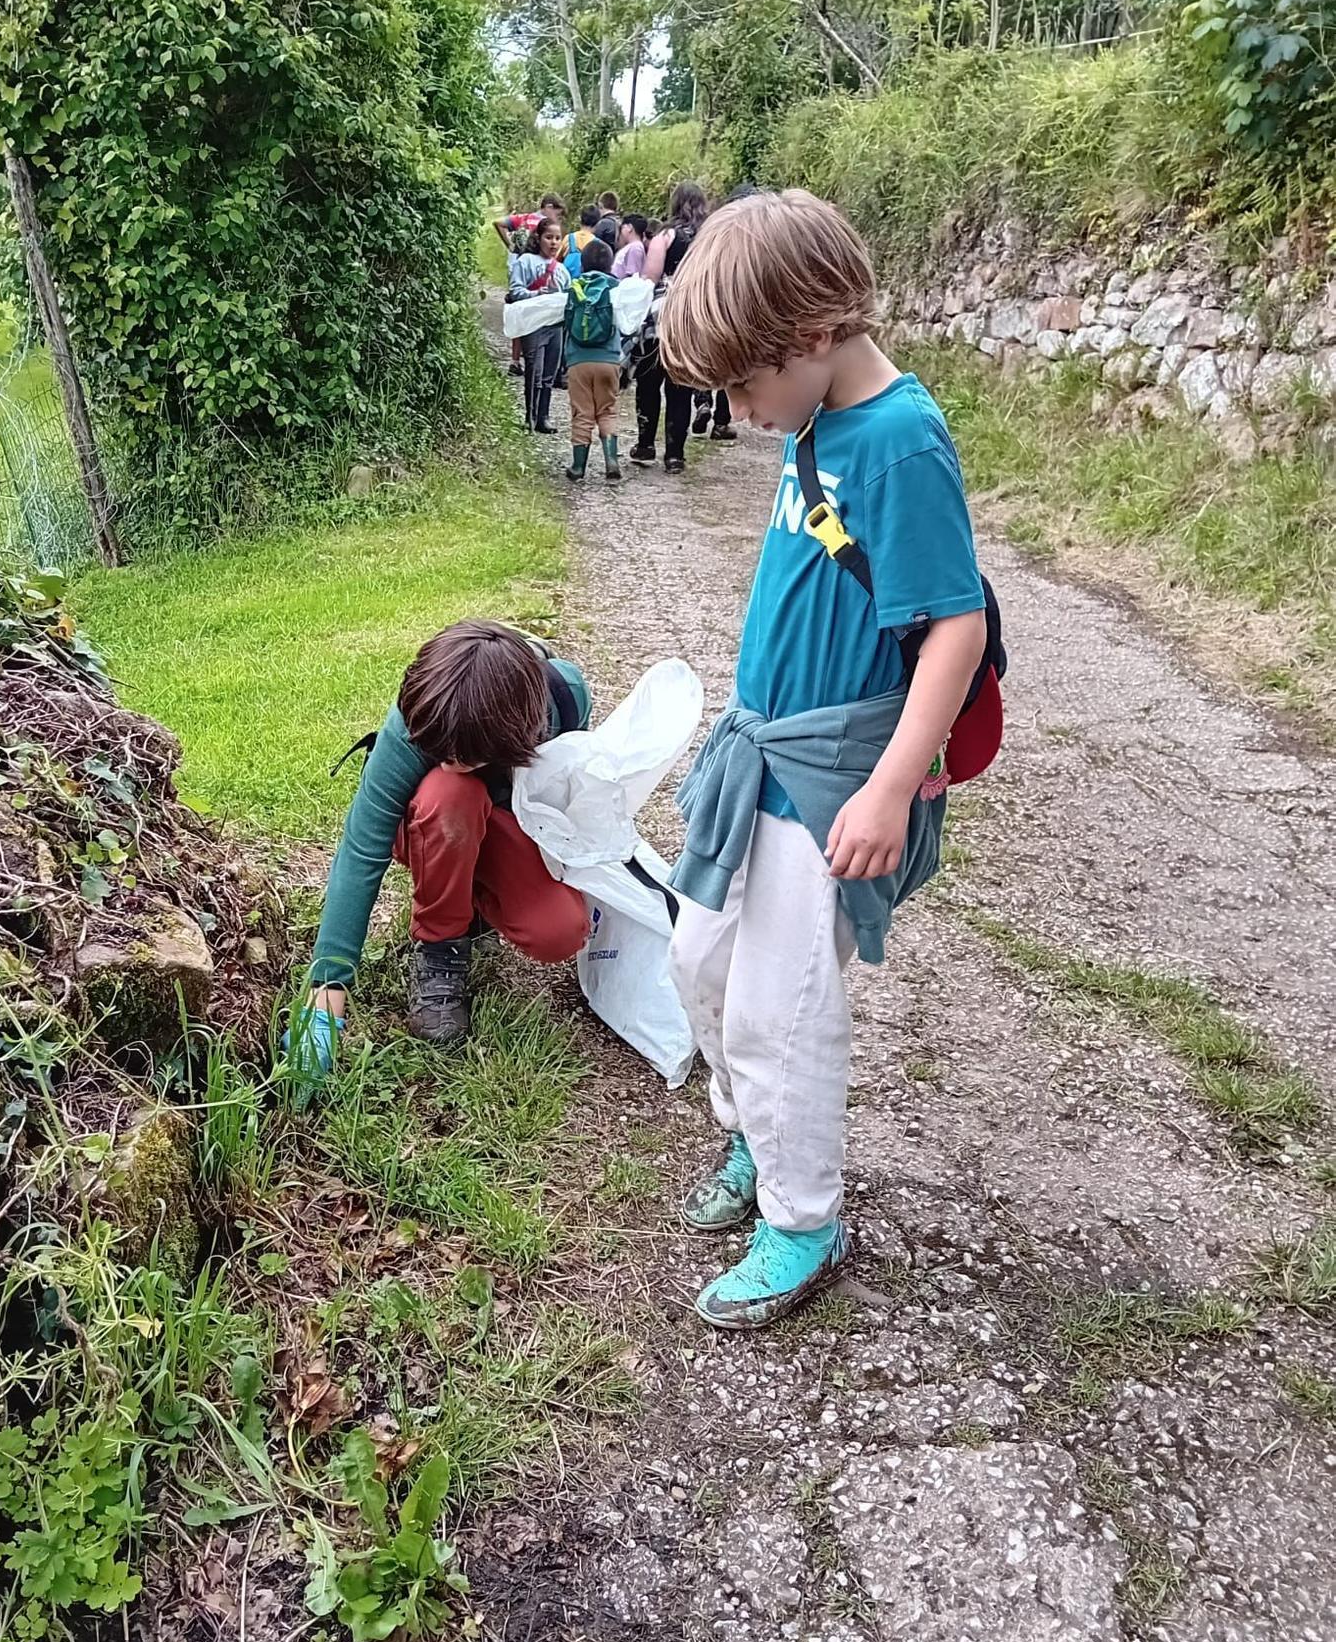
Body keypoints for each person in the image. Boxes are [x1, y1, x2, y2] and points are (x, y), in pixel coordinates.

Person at [657, 187, 991, 1330]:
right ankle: (756, 1131)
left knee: (781, 1004)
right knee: (698, 954)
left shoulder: (898, 441)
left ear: (810, 336)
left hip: (837, 771)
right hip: (762, 752)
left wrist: (895, 784)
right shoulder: (811, 423)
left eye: (744, 386)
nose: (741, 414)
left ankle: (801, 1217)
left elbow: (956, 624)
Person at [293, 622, 592, 1055]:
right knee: (449, 791)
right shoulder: (419, 720)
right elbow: (362, 850)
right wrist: (326, 992)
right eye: (440, 751)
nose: (449, 759)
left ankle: (475, 901)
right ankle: (440, 949)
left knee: (558, 932)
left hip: (508, 822)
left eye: (463, 754)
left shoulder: (566, 698)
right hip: (432, 824)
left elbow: (572, 803)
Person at [631, 180, 710, 473]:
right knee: (682, 387)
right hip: (694, 317)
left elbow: (650, 277)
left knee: (650, 382)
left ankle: (645, 444)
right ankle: (675, 454)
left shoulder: (666, 235)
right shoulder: (709, 237)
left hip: (662, 316)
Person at [563, 238, 622, 483]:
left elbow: (565, 321)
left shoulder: (574, 287)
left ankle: (578, 467)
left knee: (582, 413)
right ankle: (611, 461)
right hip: (608, 360)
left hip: (578, 361)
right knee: (607, 410)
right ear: (610, 264)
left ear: (583, 264)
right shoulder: (616, 287)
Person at [507, 218, 566, 434]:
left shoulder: (562, 270)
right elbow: (515, 291)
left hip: (555, 324)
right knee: (534, 370)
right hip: (532, 324)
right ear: (538, 238)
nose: (553, 242)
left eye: (557, 238)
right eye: (549, 237)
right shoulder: (525, 262)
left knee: (550, 372)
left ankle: (544, 416)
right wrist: (535, 294)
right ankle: (530, 416)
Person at [611, 214, 650, 279]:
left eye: (623, 227)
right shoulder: (633, 247)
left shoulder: (636, 248)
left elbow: (633, 275)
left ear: (629, 227)